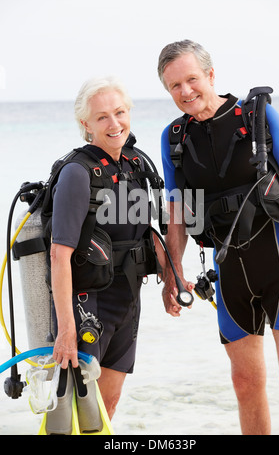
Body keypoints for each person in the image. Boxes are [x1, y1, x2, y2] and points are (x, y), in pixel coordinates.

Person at [157, 39, 279, 435]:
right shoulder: (174, 139)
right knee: (244, 383)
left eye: (191, 79)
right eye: (174, 86)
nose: (185, 92)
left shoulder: (257, 117)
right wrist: (172, 272)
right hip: (229, 275)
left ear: (211, 75)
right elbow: (177, 214)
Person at [50, 76, 165, 419]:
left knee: (106, 408)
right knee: (73, 414)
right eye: (102, 117)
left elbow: (147, 233)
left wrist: (173, 278)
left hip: (127, 303)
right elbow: (60, 255)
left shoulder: (135, 166)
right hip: (87, 305)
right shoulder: (77, 172)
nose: (114, 124)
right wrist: (66, 330)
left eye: (119, 112)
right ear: (85, 124)